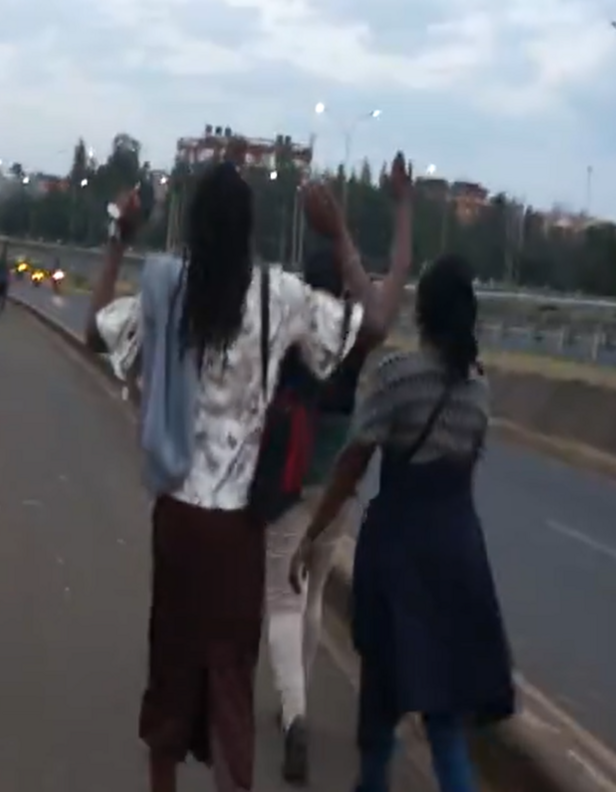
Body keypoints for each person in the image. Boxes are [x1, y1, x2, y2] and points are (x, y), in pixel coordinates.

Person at [84, 163, 410, 792]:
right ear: (250, 230)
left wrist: (119, 238)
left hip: (177, 517)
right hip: (239, 527)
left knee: (171, 669)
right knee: (231, 676)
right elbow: (372, 325)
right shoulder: (277, 295)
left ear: (194, 227)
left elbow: (94, 330)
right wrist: (340, 235)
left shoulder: (164, 288)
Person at [289, 253, 515, 792]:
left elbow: (351, 464)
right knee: (445, 719)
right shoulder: (479, 391)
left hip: (400, 557)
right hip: (461, 556)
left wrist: (314, 531)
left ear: (424, 313)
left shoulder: (397, 377)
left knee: (381, 699)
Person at [263, 154, 413, 786]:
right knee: (315, 591)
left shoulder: (292, 326)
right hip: (337, 488)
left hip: (290, 481)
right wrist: (400, 210)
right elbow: (391, 288)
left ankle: (294, 715)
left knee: (279, 596)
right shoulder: (360, 332)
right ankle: (297, 704)